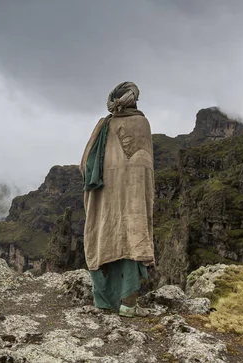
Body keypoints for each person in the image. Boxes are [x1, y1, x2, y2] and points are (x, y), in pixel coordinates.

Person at [79, 81, 155, 318]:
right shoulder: (141, 123)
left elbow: (85, 164)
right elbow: (144, 165)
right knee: (132, 239)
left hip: (104, 196)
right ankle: (129, 305)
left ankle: (104, 302)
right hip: (132, 197)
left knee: (105, 237)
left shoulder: (103, 125)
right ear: (134, 100)